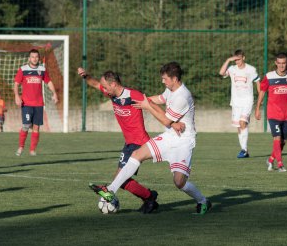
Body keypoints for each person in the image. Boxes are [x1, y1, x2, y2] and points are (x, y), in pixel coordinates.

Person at [89, 62, 212, 215]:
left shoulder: (183, 96)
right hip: (169, 137)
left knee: (179, 182)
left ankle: (203, 201)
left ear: (174, 78)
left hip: (183, 142)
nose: (163, 81)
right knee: (136, 155)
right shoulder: (171, 89)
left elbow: (166, 120)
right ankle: (110, 190)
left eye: (165, 79)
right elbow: (160, 99)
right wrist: (139, 101)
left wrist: (147, 106)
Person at [77, 67, 162, 213]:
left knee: (120, 178)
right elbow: (96, 84)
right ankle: (149, 197)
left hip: (139, 142)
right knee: (121, 179)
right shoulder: (112, 94)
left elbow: (152, 104)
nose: (103, 89)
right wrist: (86, 76)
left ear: (113, 84)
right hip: (129, 143)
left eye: (105, 86)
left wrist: (171, 121)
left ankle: (149, 197)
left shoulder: (132, 95)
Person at [255, 53, 287, 172]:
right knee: (277, 137)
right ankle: (280, 164)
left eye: (283, 63)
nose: (281, 66)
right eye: (279, 63)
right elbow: (262, 92)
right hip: (273, 113)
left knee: (283, 141)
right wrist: (257, 108)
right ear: (276, 63)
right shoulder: (269, 76)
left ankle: (271, 159)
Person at [14, 49, 58, 156]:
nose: (34, 59)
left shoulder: (42, 70)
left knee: (36, 127)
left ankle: (32, 150)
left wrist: (54, 93)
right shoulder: (23, 69)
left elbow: (49, 82)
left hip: (39, 104)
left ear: (38, 58)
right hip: (27, 103)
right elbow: (16, 84)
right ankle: (21, 147)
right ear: (29, 58)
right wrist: (16, 96)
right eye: (32, 57)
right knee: (26, 125)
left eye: (36, 57)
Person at [219, 49, 260, 158]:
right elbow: (221, 73)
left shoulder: (251, 69)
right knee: (238, 126)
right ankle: (244, 150)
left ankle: (244, 149)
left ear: (243, 58)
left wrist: (260, 99)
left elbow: (258, 82)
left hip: (247, 101)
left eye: (239, 59)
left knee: (242, 123)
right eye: (235, 59)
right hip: (236, 102)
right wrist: (228, 60)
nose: (237, 61)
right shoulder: (232, 69)